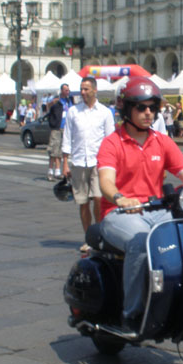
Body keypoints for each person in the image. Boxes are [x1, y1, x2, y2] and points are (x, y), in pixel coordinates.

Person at [98, 78, 183, 332]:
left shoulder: (162, 141)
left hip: (156, 211)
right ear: (126, 109)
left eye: (152, 108)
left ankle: (181, 298)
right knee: (141, 241)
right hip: (119, 213)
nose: (148, 113)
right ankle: (132, 312)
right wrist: (120, 198)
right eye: (141, 107)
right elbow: (105, 181)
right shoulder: (112, 143)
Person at [61, 76, 115, 249]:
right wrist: (65, 163)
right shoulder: (73, 112)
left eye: (86, 89)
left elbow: (110, 139)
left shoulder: (105, 112)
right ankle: (88, 238)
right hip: (78, 161)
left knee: (99, 198)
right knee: (83, 202)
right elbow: (67, 137)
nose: (82, 92)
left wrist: (112, 163)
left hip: (98, 162)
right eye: (81, 89)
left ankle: (99, 235)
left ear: (94, 90)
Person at [46, 84, 72, 181]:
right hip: (56, 129)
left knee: (61, 152)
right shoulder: (56, 102)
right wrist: (52, 124)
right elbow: (48, 110)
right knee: (53, 151)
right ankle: (50, 172)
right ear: (61, 91)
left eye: (68, 90)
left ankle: (57, 171)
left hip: (65, 129)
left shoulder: (69, 102)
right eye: (65, 90)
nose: (67, 92)